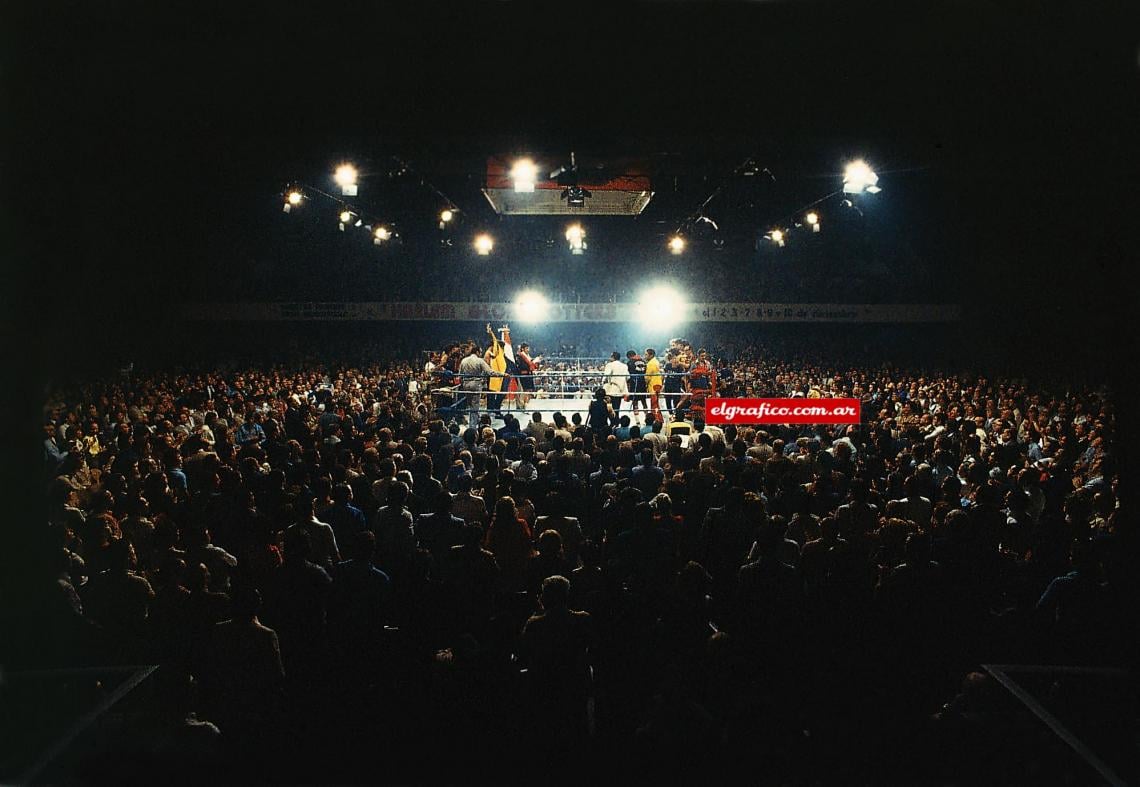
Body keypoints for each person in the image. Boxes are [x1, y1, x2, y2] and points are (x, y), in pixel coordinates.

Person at [602, 352, 629, 424]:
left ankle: (612, 424)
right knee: (617, 409)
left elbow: (606, 376)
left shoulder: (610, 365)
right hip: (620, 390)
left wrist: (603, 383)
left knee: (609, 409)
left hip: (611, 390)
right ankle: (615, 424)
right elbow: (628, 377)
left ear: (613, 357)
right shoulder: (624, 366)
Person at [626, 350, 648, 424]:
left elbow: (628, 375)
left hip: (634, 383)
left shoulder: (630, 362)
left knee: (635, 402)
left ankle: (637, 420)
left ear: (629, 356)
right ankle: (647, 418)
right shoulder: (644, 361)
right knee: (644, 401)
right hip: (642, 383)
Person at [644, 347, 664, 424]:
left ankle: (657, 419)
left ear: (651, 355)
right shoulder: (655, 361)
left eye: (646, 354)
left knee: (654, 404)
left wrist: (645, 383)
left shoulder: (651, 363)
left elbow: (647, 377)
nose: (645, 356)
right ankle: (659, 418)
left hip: (653, 385)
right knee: (655, 403)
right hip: (657, 384)